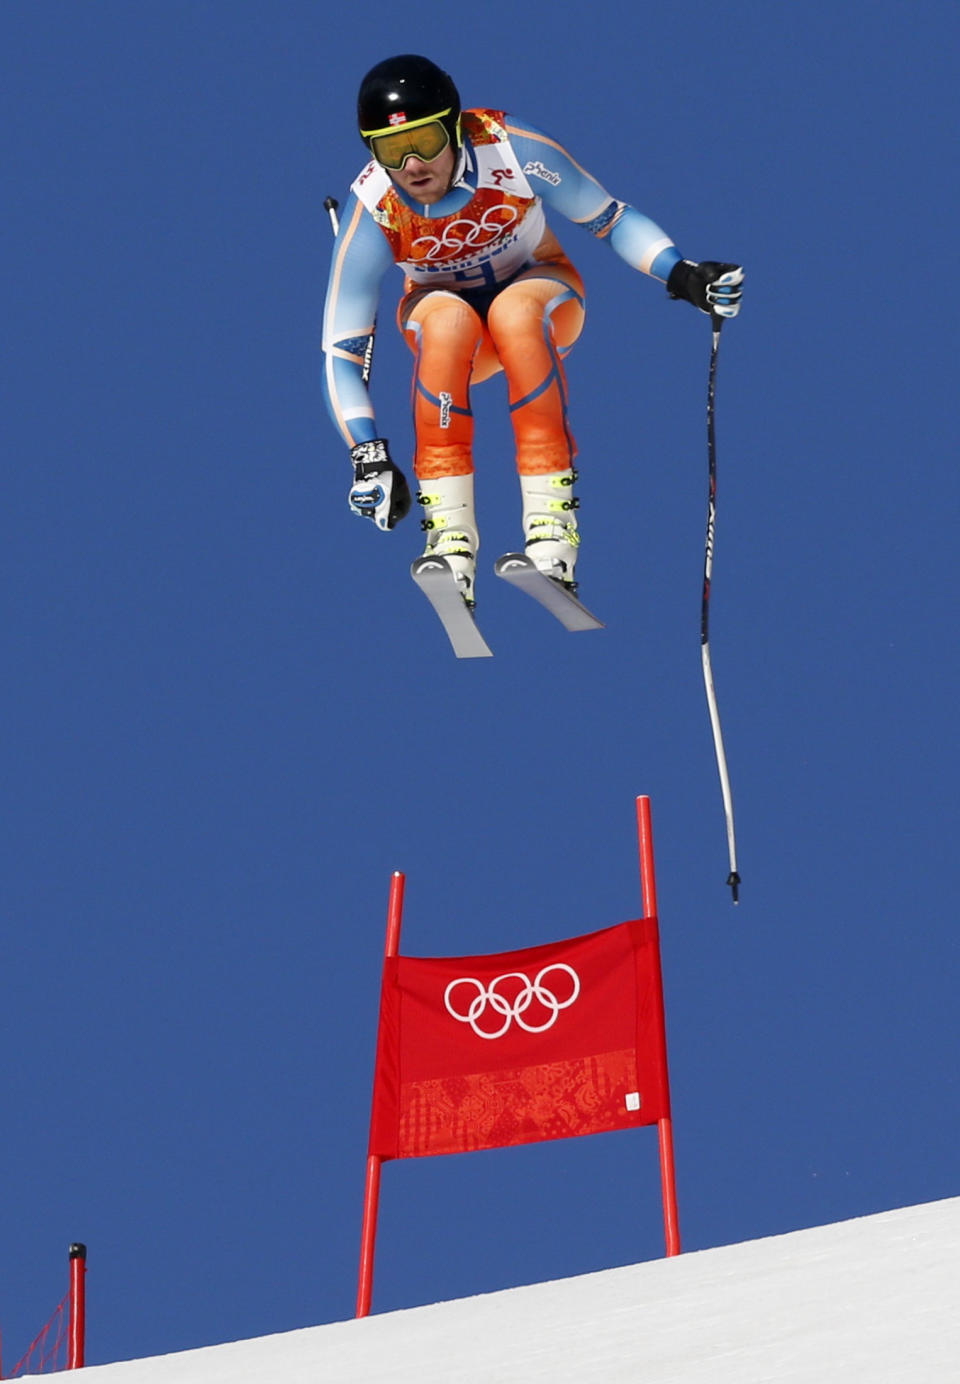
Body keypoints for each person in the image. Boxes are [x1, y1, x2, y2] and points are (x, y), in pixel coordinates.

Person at [322, 54, 743, 608]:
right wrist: (368, 457)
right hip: (448, 329)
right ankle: (449, 540)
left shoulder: (510, 148)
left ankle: (551, 537)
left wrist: (681, 273)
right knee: (447, 320)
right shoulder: (375, 208)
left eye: (424, 140)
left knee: (516, 312)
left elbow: (609, 218)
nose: (413, 165)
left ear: (453, 127)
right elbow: (342, 351)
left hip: (542, 294)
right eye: (390, 151)